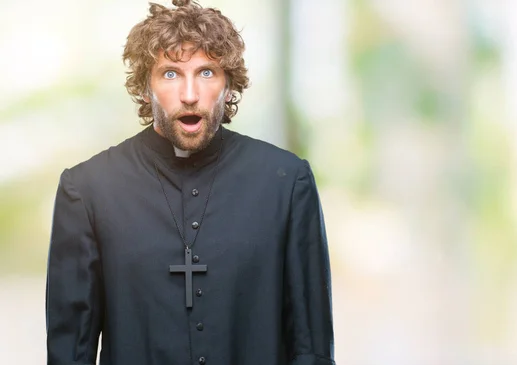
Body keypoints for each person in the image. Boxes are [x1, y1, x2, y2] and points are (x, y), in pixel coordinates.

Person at [45, 1, 335, 364]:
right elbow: (70, 352)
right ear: (144, 86)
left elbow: (312, 349)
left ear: (229, 84)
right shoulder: (87, 189)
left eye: (207, 72)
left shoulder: (286, 182)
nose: (189, 94)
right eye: (170, 74)